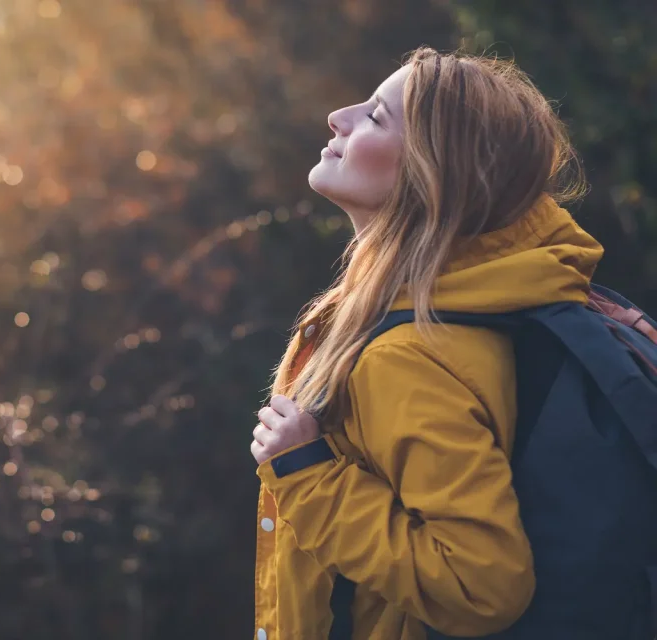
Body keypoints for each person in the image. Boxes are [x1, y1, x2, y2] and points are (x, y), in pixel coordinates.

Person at [250, 47, 603, 639]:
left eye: (377, 117)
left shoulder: (405, 357)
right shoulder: (481, 302)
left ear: (432, 174)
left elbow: (483, 585)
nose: (340, 115)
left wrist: (309, 477)